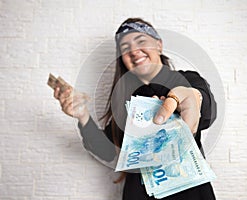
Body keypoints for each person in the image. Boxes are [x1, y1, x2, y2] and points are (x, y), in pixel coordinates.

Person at [54, 18, 217, 200]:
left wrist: (195, 98)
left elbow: (205, 109)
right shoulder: (125, 103)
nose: (133, 51)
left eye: (141, 41)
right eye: (125, 48)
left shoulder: (186, 80)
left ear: (159, 45)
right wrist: (82, 115)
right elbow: (106, 151)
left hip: (189, 193)